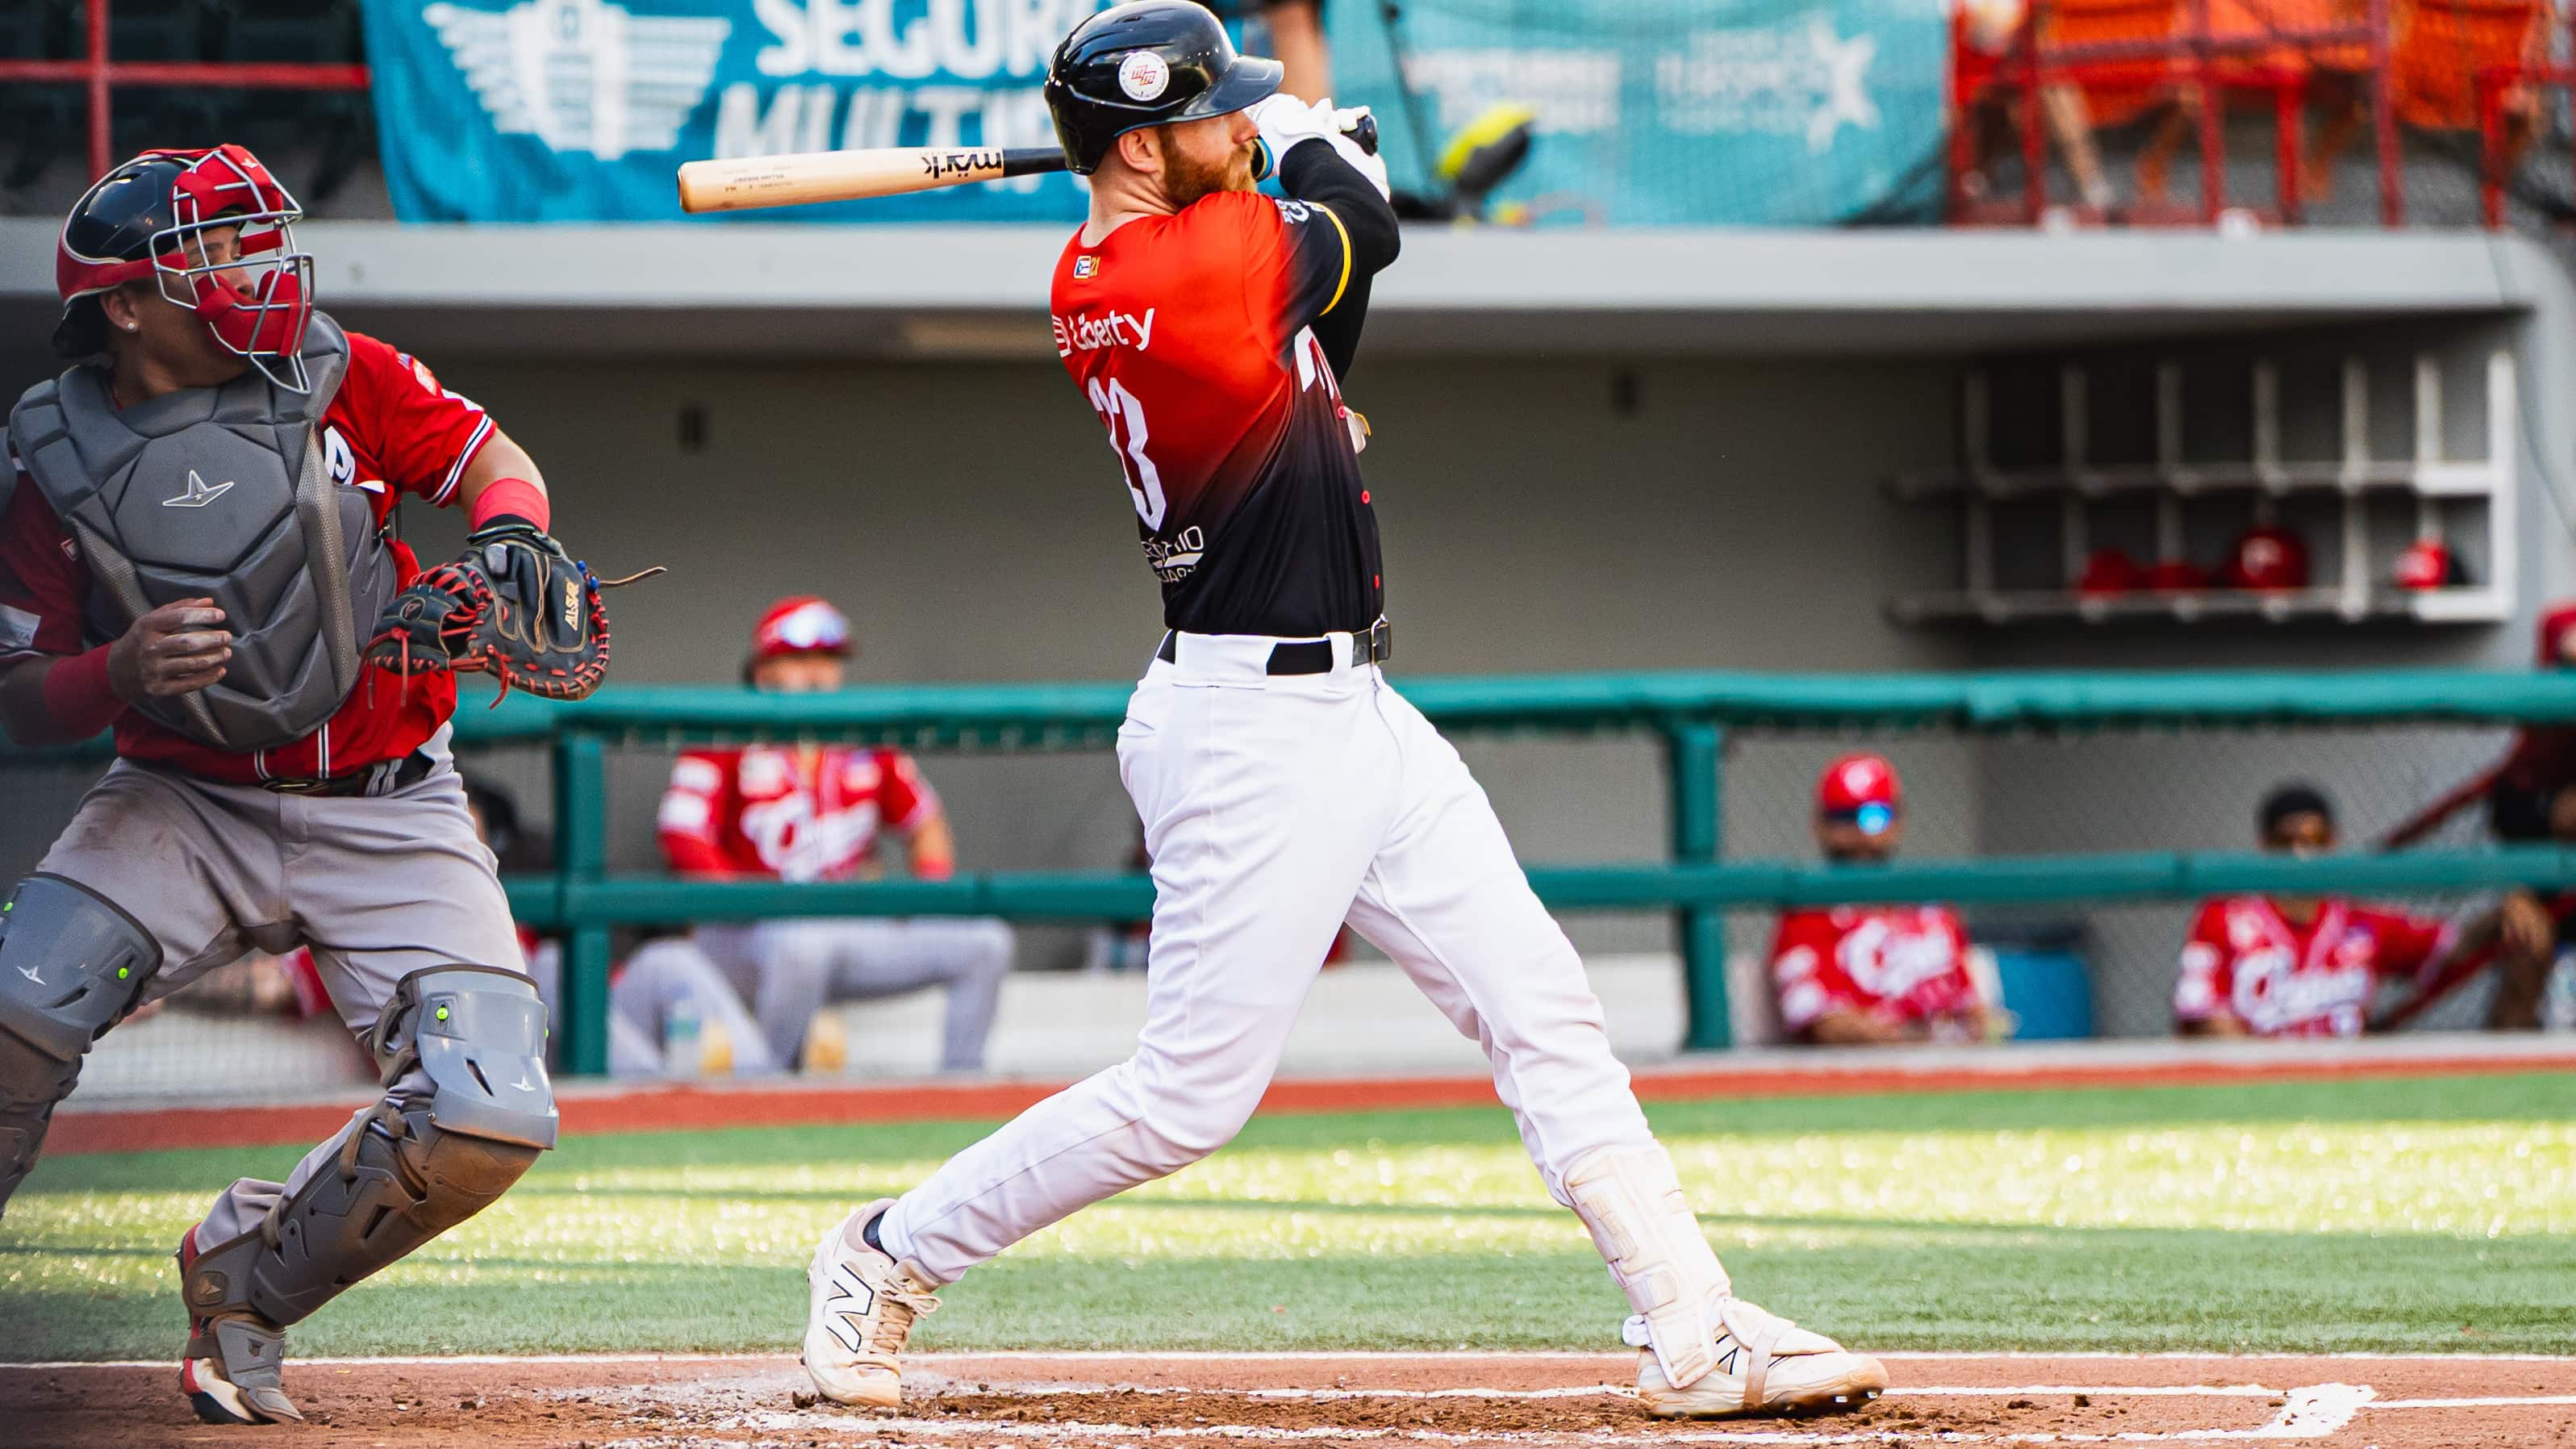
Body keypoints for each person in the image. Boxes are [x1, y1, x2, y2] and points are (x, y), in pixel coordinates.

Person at [795, 5, 1885, 1422]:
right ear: (1141, 147)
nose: (1239, 124)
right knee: (1186, 1099)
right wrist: (1320, 140)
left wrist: (1295, 148)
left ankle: (1690, 1326)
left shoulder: (1151, 258)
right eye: (1215, 111)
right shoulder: (1180, 264)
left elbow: (1334, 307)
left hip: (1355, 707)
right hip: (1247, 731)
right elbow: (1364, 222)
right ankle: (886, 1253)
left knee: (1541, 1007)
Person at [0, 146, 563, 1425]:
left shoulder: (341, 369)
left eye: (257, 243)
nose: (257, 273)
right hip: (179, 801)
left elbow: (492, 458)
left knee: (488, 1108)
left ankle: (245, 1279)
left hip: (392, 802)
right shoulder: (51, 453)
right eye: (213, 255)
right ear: (124, 304)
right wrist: (115, 670)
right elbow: (19, 691)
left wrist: (510, 535)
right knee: (14, 1015)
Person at [645, 595, 1012, 1075]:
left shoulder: (865, 740)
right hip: (745, 935)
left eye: (829, 659)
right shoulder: (723, 734)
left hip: (847, 929)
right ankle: (763, 1088)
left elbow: (926, 824)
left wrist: (924, 896)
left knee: (987, 943)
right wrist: (748, 902)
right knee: (803, 942)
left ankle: (960, 1087)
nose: (818, 673)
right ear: (763, 670)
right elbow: (681, 835)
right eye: (801, 660)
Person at [2173, 783, 2549, 1038]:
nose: (2301, 851)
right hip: (2253, 1090)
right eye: (2285, 840)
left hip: (2344, 1086)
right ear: (2263, 846)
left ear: (2333, 843)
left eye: (2315, 838)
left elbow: (2453, 947)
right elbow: (2204, 1019)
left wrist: (2506, 910)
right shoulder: (2224, 917)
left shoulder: (2361, 922)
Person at [462, 775, 774, 1078]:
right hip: (514, 1055)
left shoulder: (523, 858)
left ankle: (759, 1085)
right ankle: (651, 1095)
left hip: (598, 1025)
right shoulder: (441, 901)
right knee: (552, 963)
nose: (467, 835)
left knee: (669, 959)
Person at [1770, 754, 2002, 1046]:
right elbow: (1825, 1027)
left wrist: (1974, 1028)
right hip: (1864, 1066)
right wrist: (1919, 1038)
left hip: (1948, 1060)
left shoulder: (1931, 909)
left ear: (1897, 822)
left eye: (1874, 817)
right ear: (1819, 824)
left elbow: (1973, 1012)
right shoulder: (1806, 913)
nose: (1859, 834)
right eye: (1843, 818)